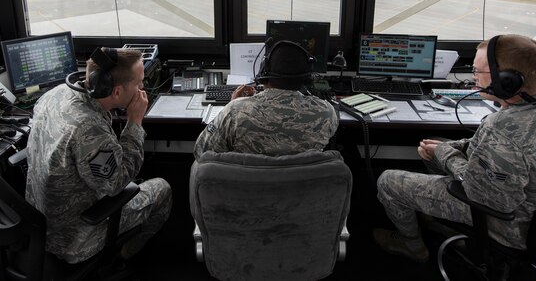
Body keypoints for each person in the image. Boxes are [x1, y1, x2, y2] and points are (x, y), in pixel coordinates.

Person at [373, 34, 536, 263]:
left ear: (507, 80)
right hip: (534, 207)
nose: (473, 78)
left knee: (387, 181)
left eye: (477, 72)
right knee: (436, 145)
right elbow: (488, 150)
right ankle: (435, 218)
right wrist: (450, 147)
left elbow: (478, 192)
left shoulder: (504, 131)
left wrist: (445, 153)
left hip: (506, 222)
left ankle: (412, 245)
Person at [26, 47, 172, 264]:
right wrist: (135, 122)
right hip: (72, 238)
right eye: (138, 83)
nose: (142, 88)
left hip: (37, 221)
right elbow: (116, 185)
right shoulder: (89, 129)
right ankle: (123, 255)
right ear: (117, 92)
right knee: (162, 189)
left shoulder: (56, 94)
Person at [193, 40, 338, 160]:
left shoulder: (234, 111)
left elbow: (202, 152)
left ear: (263, 72)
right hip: (302, 192)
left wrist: (232, 105)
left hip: (246, 192)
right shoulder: (326, 113)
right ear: (306, 79)